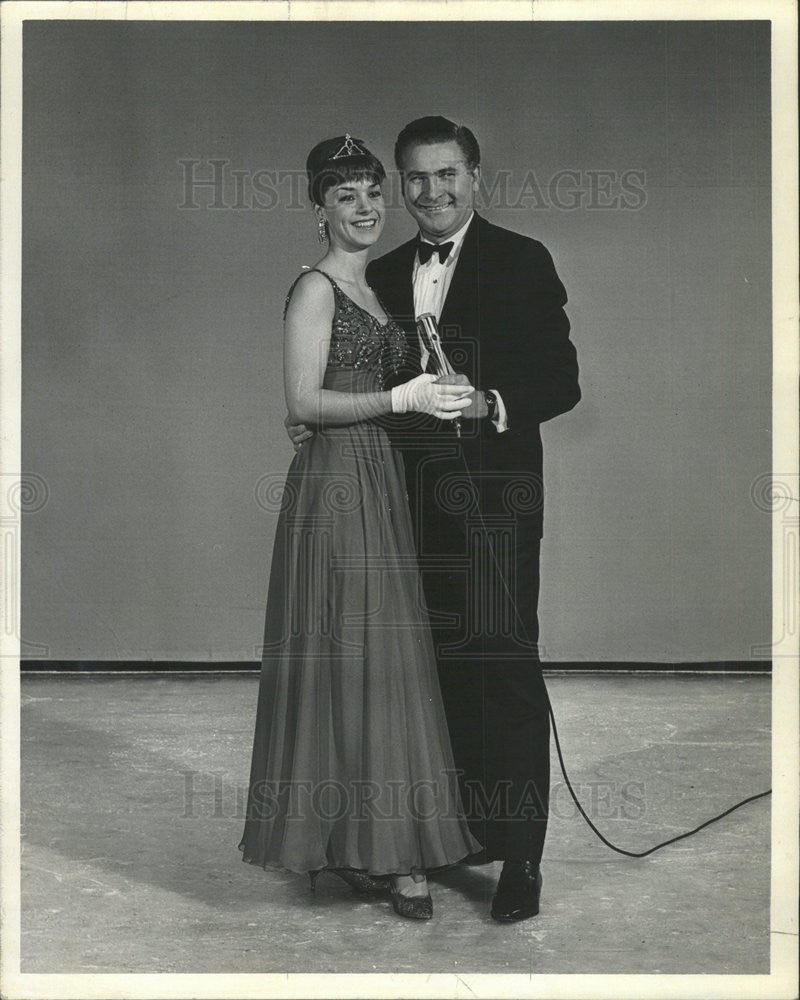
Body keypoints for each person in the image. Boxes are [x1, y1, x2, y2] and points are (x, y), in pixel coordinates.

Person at [290, 116, 581, 923]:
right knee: (425, 675)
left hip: (495, 507)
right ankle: (453, 834)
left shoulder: (522, 259)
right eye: (414, 178)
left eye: (446, 174)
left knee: (503, 668)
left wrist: (492, 403)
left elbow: (562, 378)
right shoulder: (378, 270)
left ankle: (519, 855)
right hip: (397, 505)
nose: (430, 192)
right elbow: (347, 374)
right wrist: (315, 414)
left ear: (476, 174)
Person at [238, 133, 481, 921]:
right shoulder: (315, 289)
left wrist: (433, 399)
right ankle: (371, 852)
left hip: (377, 477)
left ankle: (377, 844)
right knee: (352, 655)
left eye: (373, 192)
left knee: (384, 659)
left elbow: (319, 400)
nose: (367, 207)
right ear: (320, 211)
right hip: (337, 490)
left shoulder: (379, 286)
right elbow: (305, 402)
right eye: (346, 196)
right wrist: (397, 400)